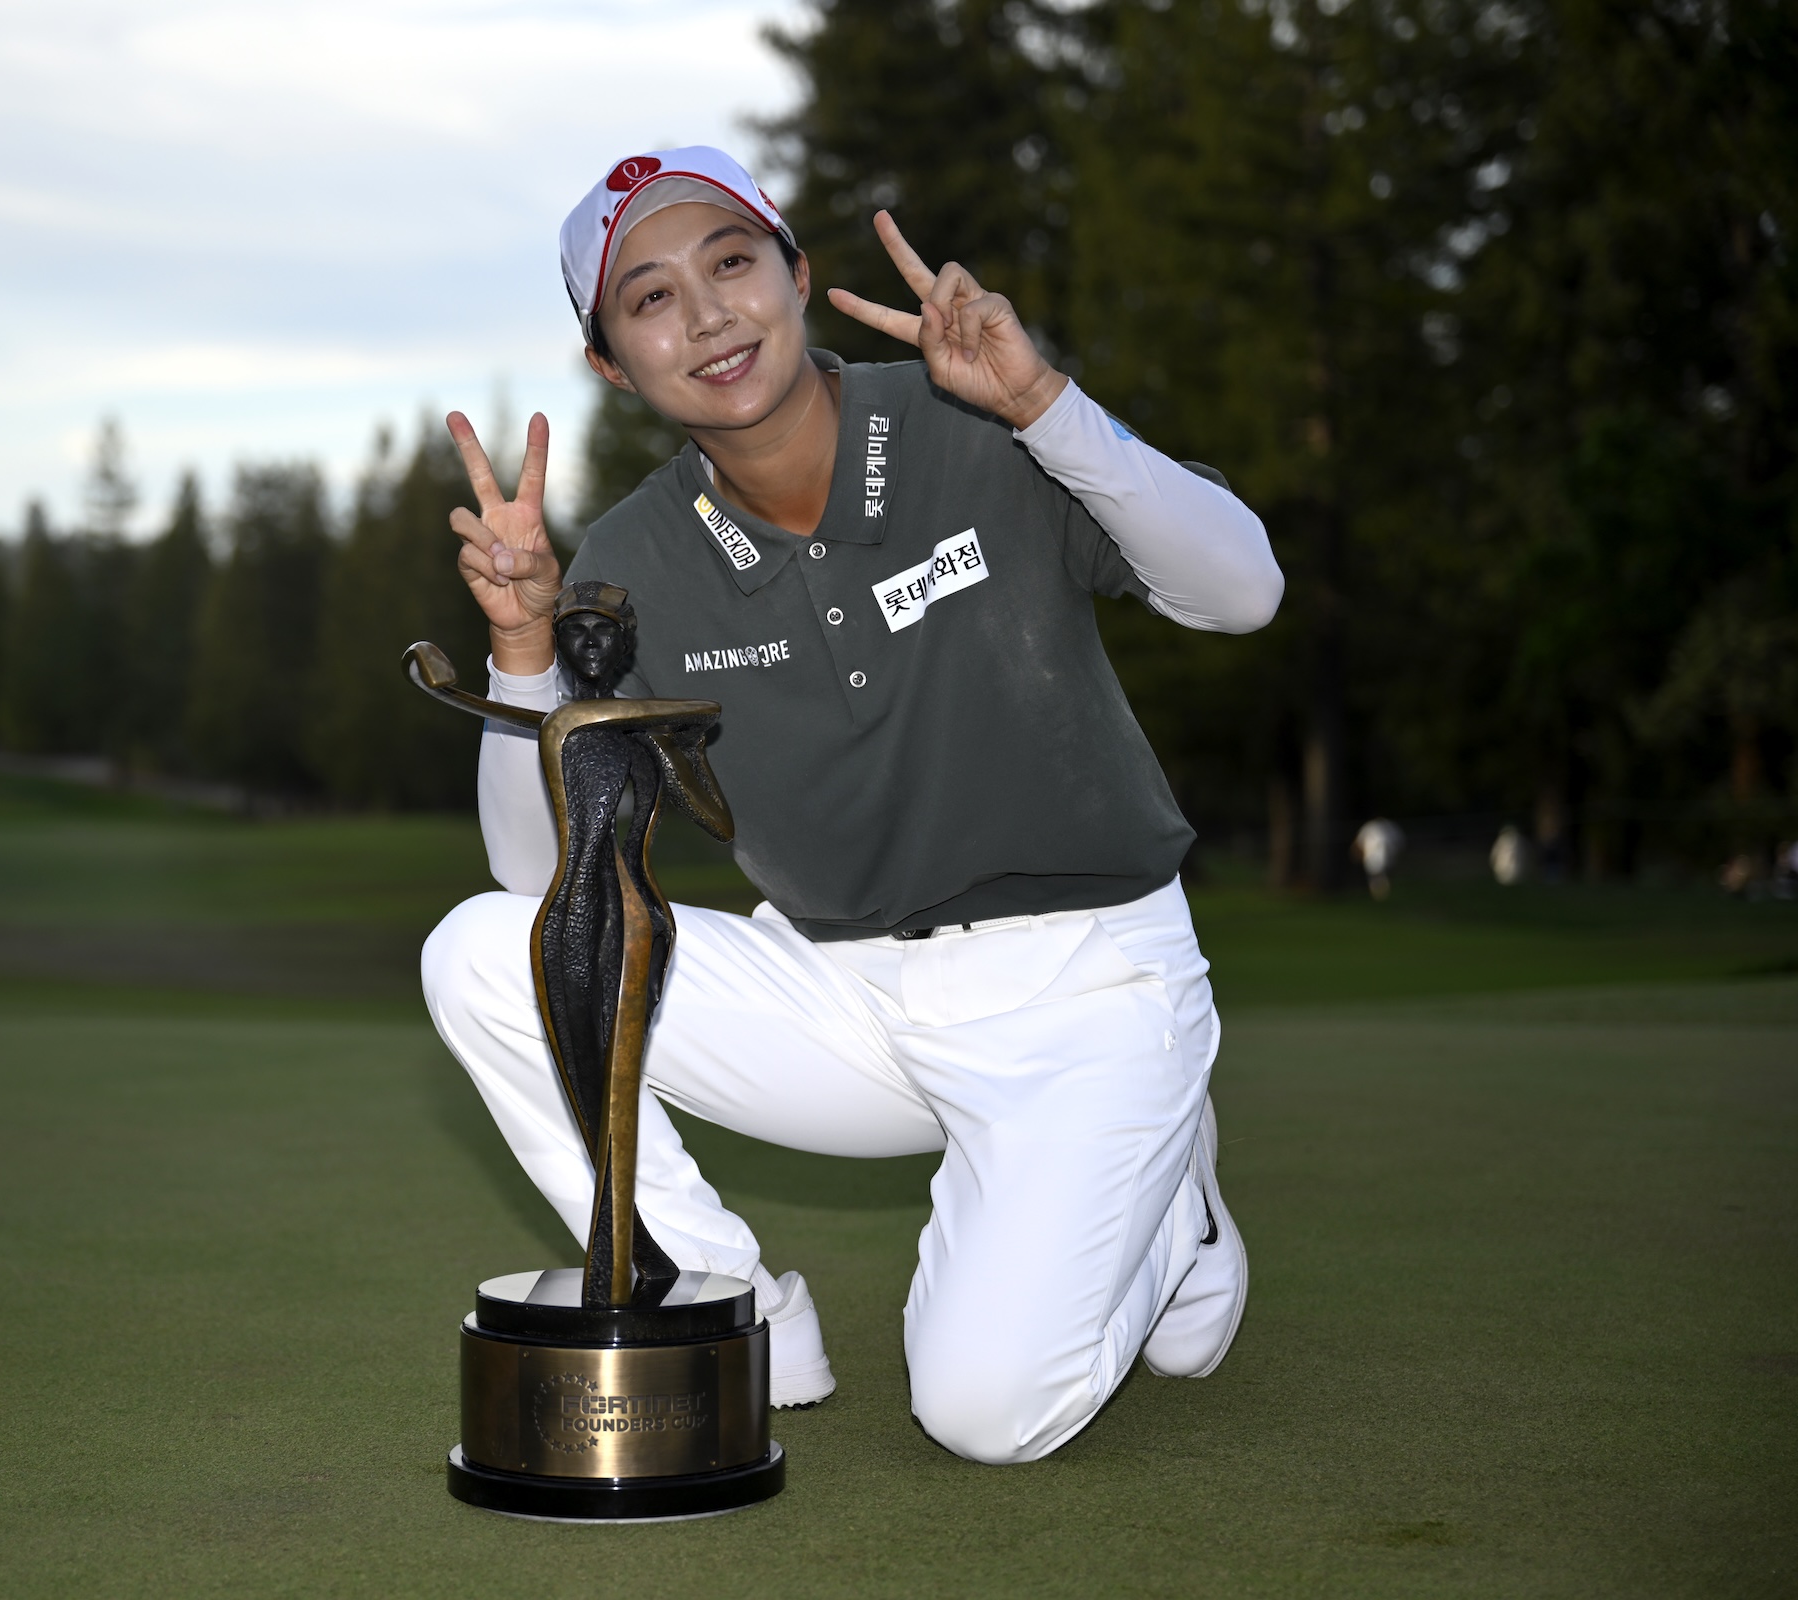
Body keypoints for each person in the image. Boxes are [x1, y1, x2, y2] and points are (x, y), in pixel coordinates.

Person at [422, 147, 1283, 1464]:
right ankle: (725, 1309)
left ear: (797, 276)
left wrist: (1046, 402)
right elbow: (547, 886)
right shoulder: (633, 559)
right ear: (610, 362)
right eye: (650, 298)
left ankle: (1173, 1212)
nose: (707, 314)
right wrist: (525, 648)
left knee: (988, 1415)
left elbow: (1244, 592)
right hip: (840, 996)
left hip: (1086, 980)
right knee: (482, 952)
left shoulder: (979, 421)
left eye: (730, 263)